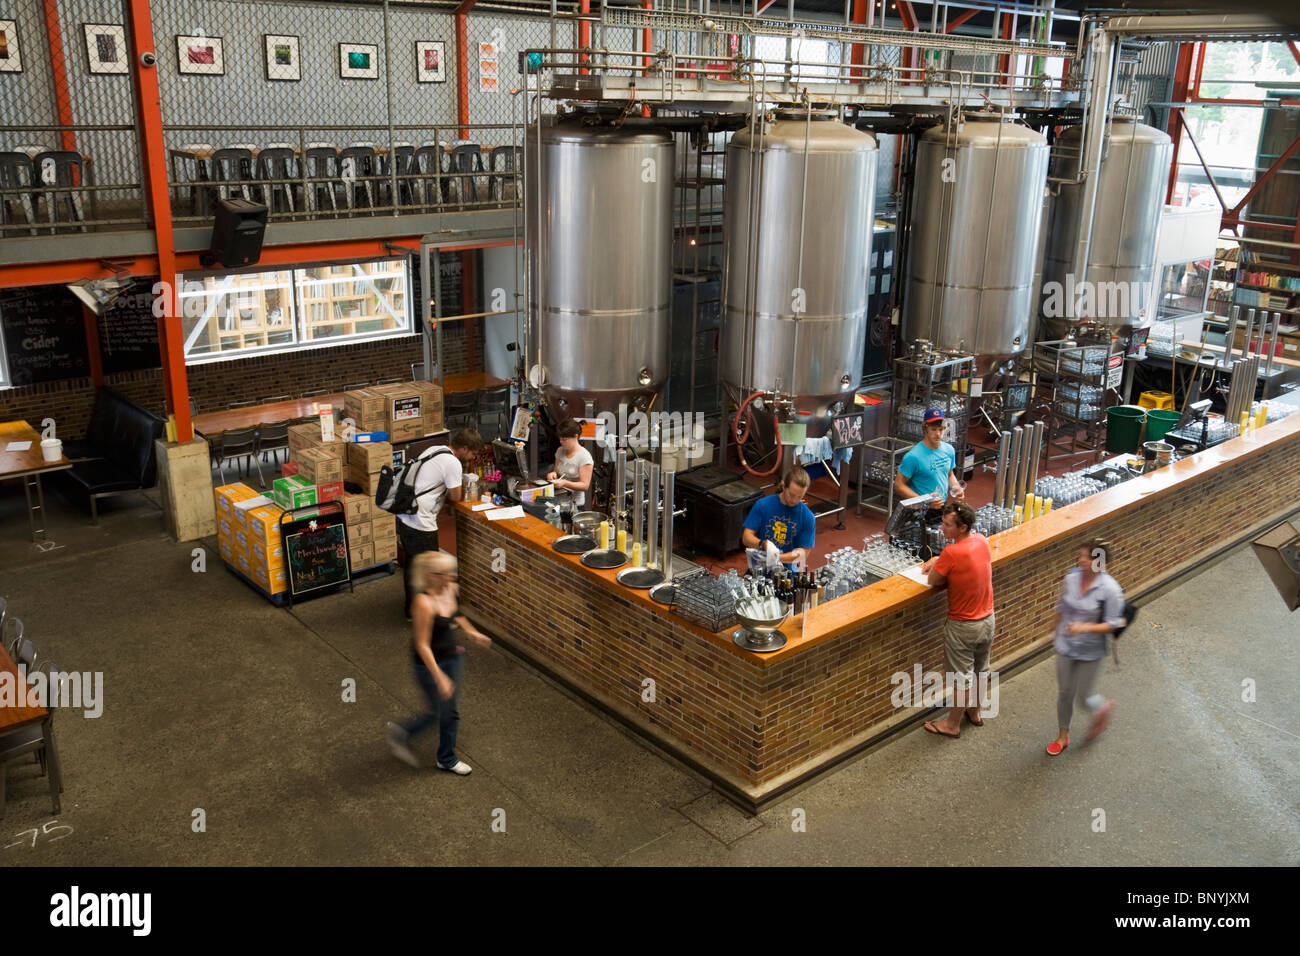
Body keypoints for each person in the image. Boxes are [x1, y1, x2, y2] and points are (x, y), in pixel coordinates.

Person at [386, 551, 491, 774]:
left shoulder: (451, 588)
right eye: (447, 573)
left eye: (453, 571)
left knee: (448, 711)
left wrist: (472, 632)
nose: (452, 576)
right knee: (441, 712)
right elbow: (423, 645)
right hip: (429, 665)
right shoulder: (423, 603)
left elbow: (456, 614)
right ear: (432, 576)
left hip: (452, 656)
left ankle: (439, 753)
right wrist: (439, 677)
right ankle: (422, 744)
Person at [920, 500, 994, 739]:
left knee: (959, 678)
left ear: (962, 528)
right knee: (982, 670)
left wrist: (937, 562)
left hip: (963, 625)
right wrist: (941, 559)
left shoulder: (951, 552)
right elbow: (966, 561)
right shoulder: (981, 540)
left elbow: (933, 580)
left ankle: (952, 725)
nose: (942, 528)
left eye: (947, 524)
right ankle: (975, 711)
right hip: (988, 620)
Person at [1046, 538, 1124, 756]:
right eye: (1081, 555)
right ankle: (1063, 736)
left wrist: (1084, 627)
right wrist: (1052, 630)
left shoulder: (1110, 590)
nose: (1081, 560)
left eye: (1088, 557)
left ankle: (1102, 708)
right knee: (1065, 693)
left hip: (1091, 650)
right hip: (1065, 644)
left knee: (1084, 698)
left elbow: (1113, 624)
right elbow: (1061, 606)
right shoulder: (1071, 579)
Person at [395, 428, 483, 619]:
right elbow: (456, 496)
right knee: (432, 570)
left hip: (405, 515)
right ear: (465, 448)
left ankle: (411, 609)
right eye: (472, 454)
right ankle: (430, 612)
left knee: (413, 565)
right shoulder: (452, 463)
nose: (472, 458)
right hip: (422, 522)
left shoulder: (434, 449)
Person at [894, 407, 964, 524]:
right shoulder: (913, 457)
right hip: (918, 510)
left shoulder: (949, 450)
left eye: (941, 430)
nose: (938, 434)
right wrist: (925, 502)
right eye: (933, 429)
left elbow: (949, 474)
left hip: (941, 506)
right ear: (925, 428)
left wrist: (956, 488)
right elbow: (899, 485)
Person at [741, 466, 816, 570]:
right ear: (784, 487)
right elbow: (746, 537)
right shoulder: (763, 505)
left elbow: (803, 553)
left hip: (788, 573)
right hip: (759, 568)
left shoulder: (808, 517)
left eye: (800, 497)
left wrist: (776, 558)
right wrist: (762, 544)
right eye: (792, 495)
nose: (794, 501)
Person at [546, 419, 594, 507]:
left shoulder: (584, 456)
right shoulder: (560, 451)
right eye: (560, 439)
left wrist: (565, 483)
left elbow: (585, 485)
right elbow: (556, 472)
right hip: (558, 500)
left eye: (564, 439)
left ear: (575, 437)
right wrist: (552, 474)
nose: (561, 442)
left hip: (575, 504)